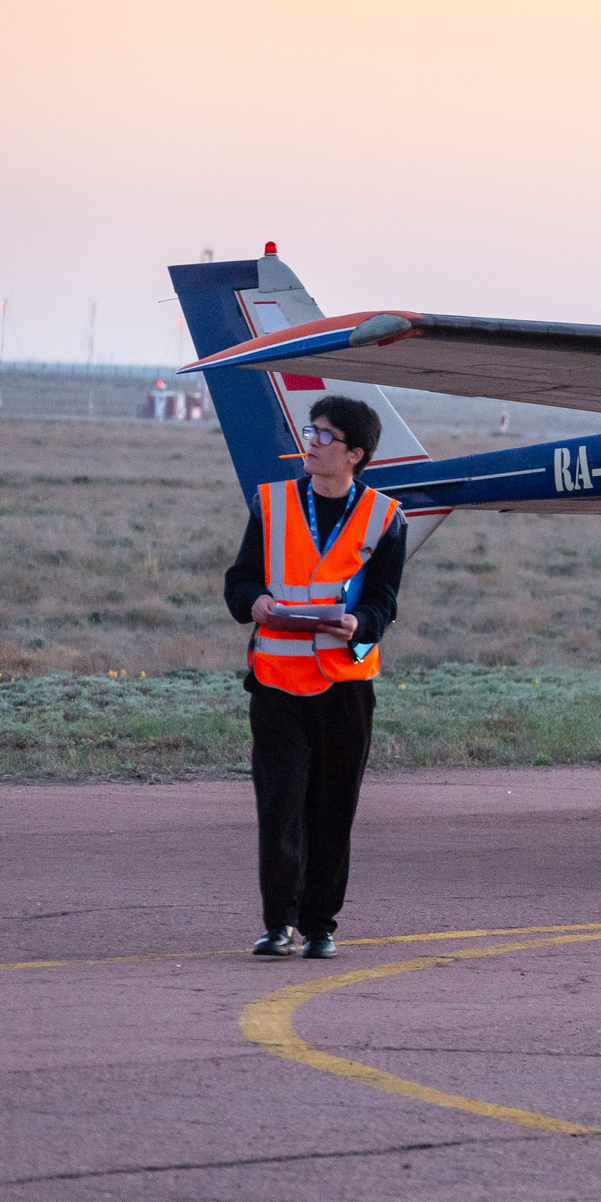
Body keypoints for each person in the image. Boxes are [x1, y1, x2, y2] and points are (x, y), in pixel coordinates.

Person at [222, 395, 409, 958]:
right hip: (277, 680)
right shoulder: (272, 504)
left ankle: (320, 926)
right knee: (280, 804)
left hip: (345, 685)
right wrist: (253, 601)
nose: (312, 442)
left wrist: (361, 623)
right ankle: (278, 924)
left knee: (334, 807)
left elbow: (384, 600)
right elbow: (239, 579)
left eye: (325, 435)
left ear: (355, 455)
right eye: (311, 431)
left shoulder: (385, 517)